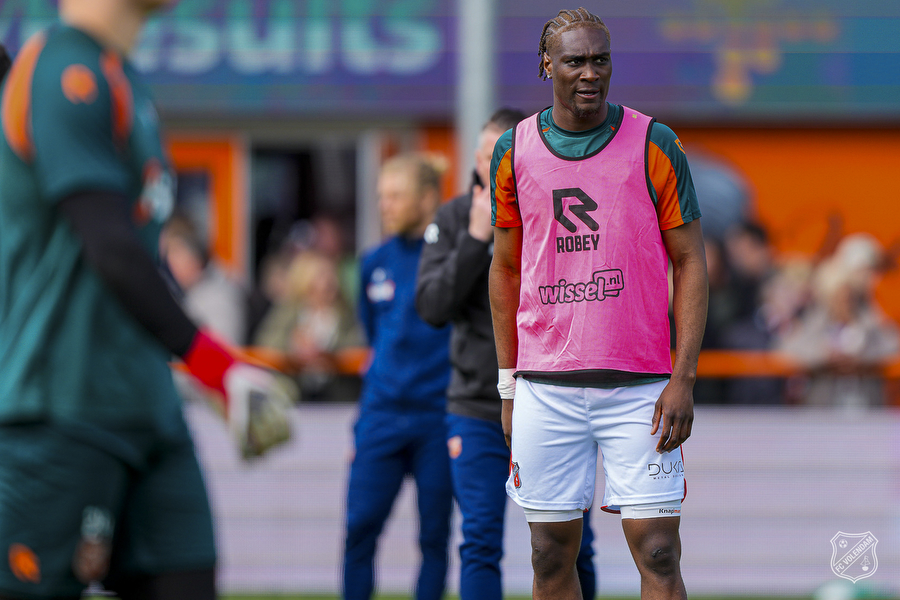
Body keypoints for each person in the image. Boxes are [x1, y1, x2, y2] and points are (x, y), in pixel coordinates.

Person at [0, 1, 291, 599]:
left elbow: (134, 260)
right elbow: (111, 249)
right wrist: (215, 366)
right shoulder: (62, 69)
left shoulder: (123, 76)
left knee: (188, 577)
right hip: (60, 403)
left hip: (148, 406)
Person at [488, 8, 708, 600]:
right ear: (547, 65)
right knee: (547, 556)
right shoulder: (513, 150)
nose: (590, 73)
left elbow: (691, 262)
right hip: (545, 388)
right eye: (575, 61)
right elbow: (504, 268)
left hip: (641, 390)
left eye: (601, 60)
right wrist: (508, 387)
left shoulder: (656, 142)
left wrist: (683, 377)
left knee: (659, 552)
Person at [416, 108, 598, 600]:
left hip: (554, 399)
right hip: (477, 405)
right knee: (479, 539)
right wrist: (476, 239)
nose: (485, 166)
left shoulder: (559, 209)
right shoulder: (455, 218)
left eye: (497, 156)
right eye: (480, 156)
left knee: (573, 545)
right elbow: (431, 307)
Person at [343, 153, 453, 600]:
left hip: (439, 416)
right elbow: (374, 334)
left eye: (395, 196)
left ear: (426, 198)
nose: (384, 206)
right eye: (381, 196)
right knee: (359, 527)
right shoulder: (374, 261)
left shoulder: (453, 258)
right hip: (381, 414)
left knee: (434, 537)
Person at [160, 210, 248, 345]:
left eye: (176, 252)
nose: (170, 262)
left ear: (196, 255)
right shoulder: (192, 293)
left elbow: (219, 350)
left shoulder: (217, 297)